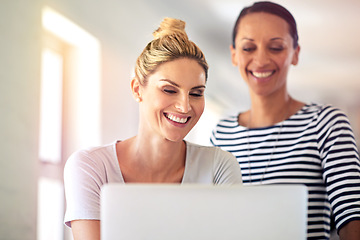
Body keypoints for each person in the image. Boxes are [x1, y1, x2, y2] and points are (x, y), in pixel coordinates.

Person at [63, 17, 242, 240]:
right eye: (169, 90)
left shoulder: (219, 167)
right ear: (137, 89)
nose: (185, 106)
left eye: (196, 93)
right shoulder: (91, 167)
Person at [210, 1, 360, 240]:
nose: (260, 60)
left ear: (295, 54)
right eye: (248, 48)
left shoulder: (327, 123)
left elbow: (352, 217)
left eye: (276, 47)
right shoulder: (221, 133)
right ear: (234, 55)